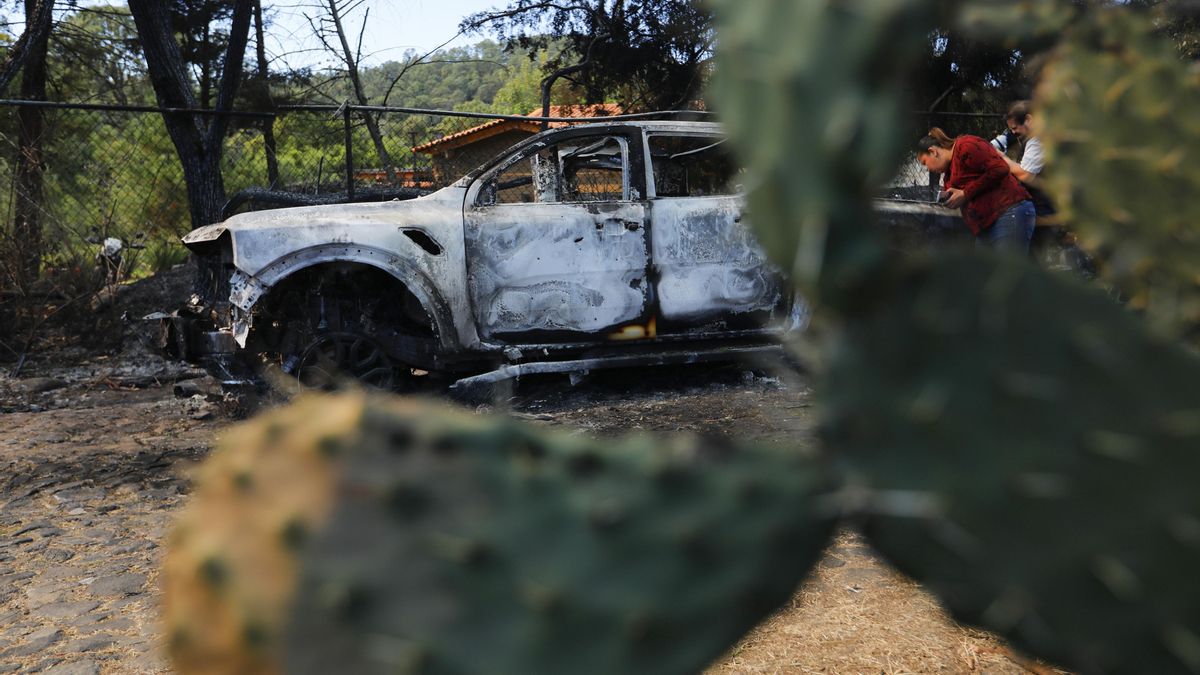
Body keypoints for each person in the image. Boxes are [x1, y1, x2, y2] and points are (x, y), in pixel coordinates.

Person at [917, 127, 1036, 252]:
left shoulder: (966, 146)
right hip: (986, 225)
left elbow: (1000, 168)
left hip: (1008, 211)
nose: (928, 169)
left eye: (925, 163)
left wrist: (965, 193)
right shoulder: (949, 172)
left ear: (933, 152)